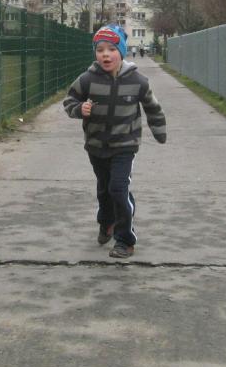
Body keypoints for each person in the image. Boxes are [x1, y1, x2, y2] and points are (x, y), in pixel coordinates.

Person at [62, 24, 166, 258]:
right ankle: (106, 222)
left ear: (122, 51)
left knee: (118, 189)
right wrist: (80, 109)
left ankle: (125, 240)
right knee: (104, 190)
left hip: (125, 146)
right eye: (100, 50)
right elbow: (69, 102)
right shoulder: (87, 79)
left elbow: (153, 108)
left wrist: (159, 132)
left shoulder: (138, 81)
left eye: (111, 49)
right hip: (96, 146)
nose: (105, 55)